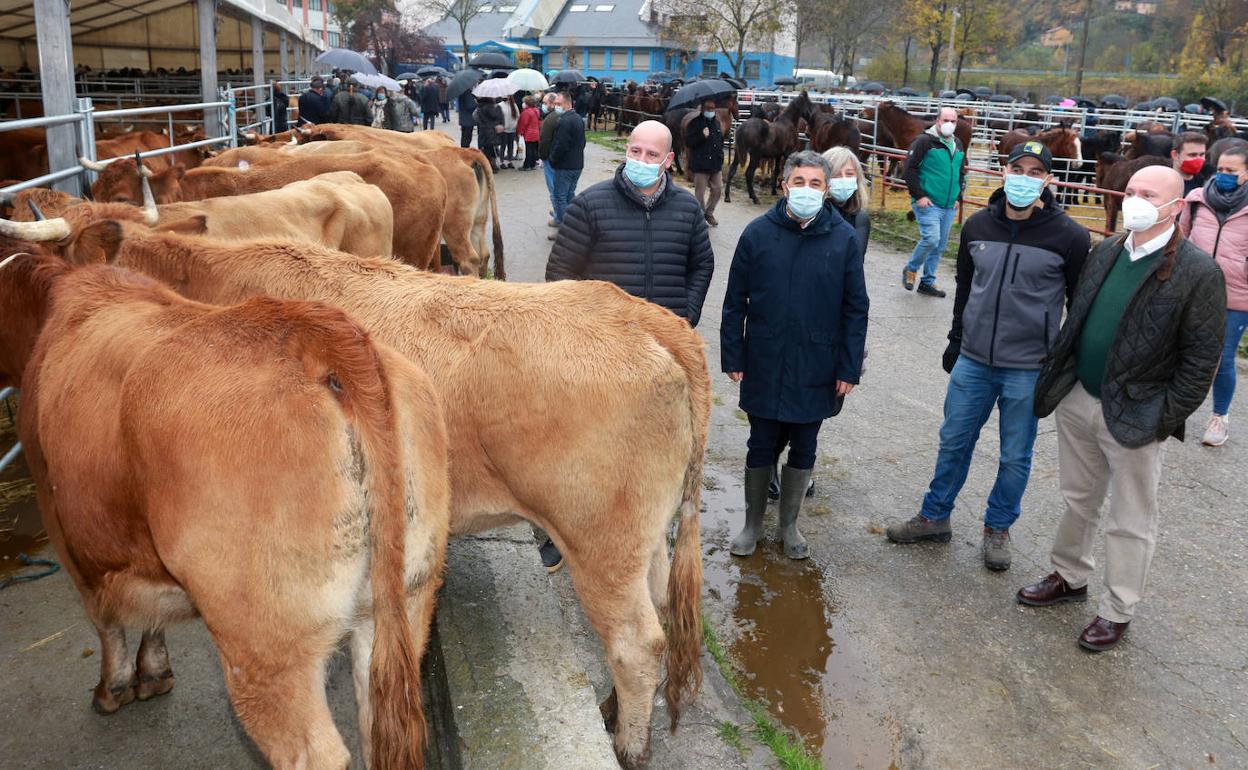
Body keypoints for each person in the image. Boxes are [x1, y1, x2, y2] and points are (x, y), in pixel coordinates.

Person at [1018, 166, 1225, 652]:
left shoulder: (1198, 273)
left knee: (1131, 518)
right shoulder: (1107, 249)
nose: (1134, 200)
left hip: (1138, 413)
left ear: (1176, 206)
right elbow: (1080, 315)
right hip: (1081, 397)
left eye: (1148, 194)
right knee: (1077, 498)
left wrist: (1163, 417)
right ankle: (1070, 576)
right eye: (1130, 191)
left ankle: (1118, 608)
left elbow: (1201, 362)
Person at [886, 141, 1091, 571]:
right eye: (1019, 168)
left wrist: (1059, 363)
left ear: (1048, 180)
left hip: (1028, 367)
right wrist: (956, 339)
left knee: (1015, 454)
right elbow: (964, 288)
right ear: (1004, 171)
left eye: (1036, 172)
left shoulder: (1070, 237)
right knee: (954, 441)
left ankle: (998, 527)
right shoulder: (978, 226)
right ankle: (934, 515)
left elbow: (1079, 306)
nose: (1025, 178)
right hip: (974, 361)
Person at [544, 119, 716, 570]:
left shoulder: (686, 209)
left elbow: (702, 264)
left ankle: (645, 526)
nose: (641, 161)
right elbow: (559, 277)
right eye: (635, 151)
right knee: (587, 446)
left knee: (653, 444)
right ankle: (562, 531)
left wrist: (686, 315)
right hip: (604, 355)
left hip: (663, 354)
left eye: (651, 155)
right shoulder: (590, 206)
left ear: (669, 160)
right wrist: (590, 333)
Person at [721, 150, 869, 560]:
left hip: (817, 362)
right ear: (784, 186)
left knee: (805, 444)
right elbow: (735, 301)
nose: (806, 190)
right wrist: (733, 354)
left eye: (816, 184)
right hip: (765, 358)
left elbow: (855, 308)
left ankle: (789, 525)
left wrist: (848, 366)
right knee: (761, 442)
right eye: (799, 182)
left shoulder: (842, 239)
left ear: (826, 190)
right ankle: (752, 524)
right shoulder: (757, 234)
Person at [1180, 143, 1248, 447]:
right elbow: (1178, 240)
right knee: (1179, 349)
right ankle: (1173, 407)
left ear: (1246, 173)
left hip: (1236, 296)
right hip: (1193, 290)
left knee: (1222, 357)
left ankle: (1219, 417)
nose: (1223, 175)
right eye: (1220, 169)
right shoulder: (1196, 201)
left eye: (1231, 171)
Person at [901, 106, 967, 297]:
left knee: (939, 245)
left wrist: (958, 197)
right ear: (937, 121)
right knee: (931, 239)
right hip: (928, 202)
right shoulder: (924, 141)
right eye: (945, 120)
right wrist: (919, 195)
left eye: (953, 121)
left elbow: (961, 171)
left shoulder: (958, 144)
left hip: (949, 204)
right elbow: (909, 169)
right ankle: (911, 268)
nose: (949, 124)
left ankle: (927, 281)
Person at [546, 90, 585, 236]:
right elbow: (583, 142)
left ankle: (564, 230)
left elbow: (560, 145)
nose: (556, 107)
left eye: (558, 104)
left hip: (565, 166)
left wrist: (552, 158)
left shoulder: (565, 121)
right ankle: (573, 223)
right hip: (577, 165)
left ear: (567, 104)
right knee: (569, 195)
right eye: (555, 104)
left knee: (560, 196)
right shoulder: (578, 118)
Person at [685, 98, 724, 226]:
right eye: (708, 109)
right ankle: (700, 216)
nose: (711, 111)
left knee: (718, 189)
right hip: (700, 164)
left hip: (715, 165)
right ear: (702, 109)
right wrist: (701, 136)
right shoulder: (694, 123)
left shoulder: (717, 123)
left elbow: (720, 142)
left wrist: (721, 158)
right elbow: (688, 142)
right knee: (700, 193)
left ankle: (709, 212)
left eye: (713, 109)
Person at [538, 92, 561, 227]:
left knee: (554, 190)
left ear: (552, 103)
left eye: (545, 103)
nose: (543, 105)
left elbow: (544, 140)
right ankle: (559, 211)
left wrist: (542, 155)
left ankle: (558, 216)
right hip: (560, 159)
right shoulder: (564, 116)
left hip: (550, 158)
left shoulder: (550, 119)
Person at [1172, 131, 1211, 197]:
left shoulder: (1207, 186)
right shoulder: (1160, 183)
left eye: (1202, 154)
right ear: (1175, 155)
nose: (1198, 159)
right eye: (1192, 155)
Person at [473, 96, 504, 171]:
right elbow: (500, 118)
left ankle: (486, 165)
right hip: (494, 131)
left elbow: (476, 119)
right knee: (493, 148)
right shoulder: (497, 108)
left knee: (486, 149)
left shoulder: (480, 109)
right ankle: (493, 164)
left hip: (484, 131)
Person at [516, 95, 541, 171]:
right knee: (533, 149)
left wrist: (520, 132)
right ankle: (533, 164)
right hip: (536, 132)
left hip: (529, 133)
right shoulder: (536, 110)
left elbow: (523, 123)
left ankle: (527, 165)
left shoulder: (526, 112)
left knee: (528, 149)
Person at [499, 95, 519, 169]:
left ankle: (510, 161)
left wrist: (515, 125)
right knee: (503, 146)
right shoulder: (500, 105)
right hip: (504, 129)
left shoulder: (514, 105)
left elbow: (517, 116)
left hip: (512, 129)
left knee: (511, 146)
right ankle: (501, 162)